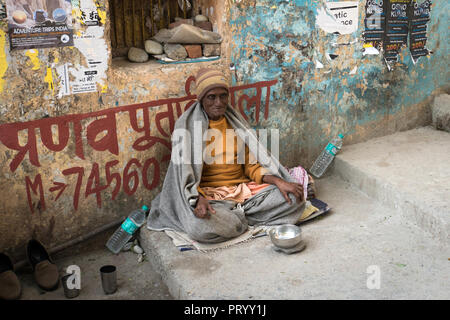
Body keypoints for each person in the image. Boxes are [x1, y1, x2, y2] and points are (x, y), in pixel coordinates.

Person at [146, 68, 307, 243]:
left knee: (293, 199)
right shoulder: (186, 127)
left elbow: (251, 166)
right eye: (211, 97)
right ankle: (240, 219)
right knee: (198, 227)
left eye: (223, 96)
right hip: (209, 198)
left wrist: (279, 181)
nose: (219, 102)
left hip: (243, 192)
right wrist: (198, 199)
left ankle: (234, 220)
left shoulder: (235, 123)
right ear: (201, 99)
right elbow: (184, 176)